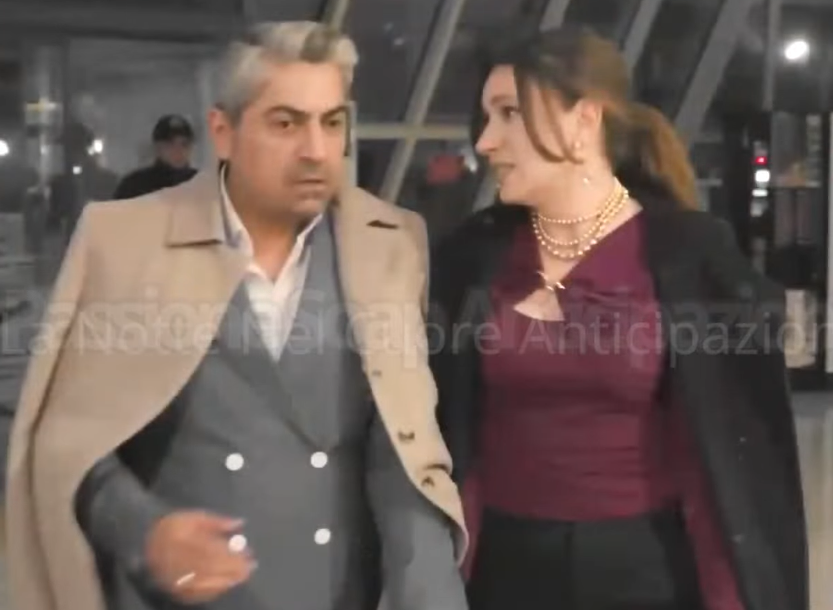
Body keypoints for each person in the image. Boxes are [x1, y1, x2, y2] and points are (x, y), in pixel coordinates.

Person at [6, 21, 467, 610]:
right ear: (223, 132)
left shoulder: (393, 242)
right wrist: (143, 531)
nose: (316, 150)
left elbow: (400, 452)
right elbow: (62, 439)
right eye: (286, 123)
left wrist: (430, 595)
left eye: (332, 123)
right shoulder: (122, 240)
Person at [429, 26, 806, 610]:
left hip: (645, 570)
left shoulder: (689, 255)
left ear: (585, 120)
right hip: (498, 566)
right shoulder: (471, 257)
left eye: (510, 114)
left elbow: (741, 461)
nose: (485, 141)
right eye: (486, 117)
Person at [112, 114, 197, 199]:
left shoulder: (200, 184)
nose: (178, 150)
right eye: (169, 145)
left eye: (184, 144)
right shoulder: (135, 186)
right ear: (157, 147)